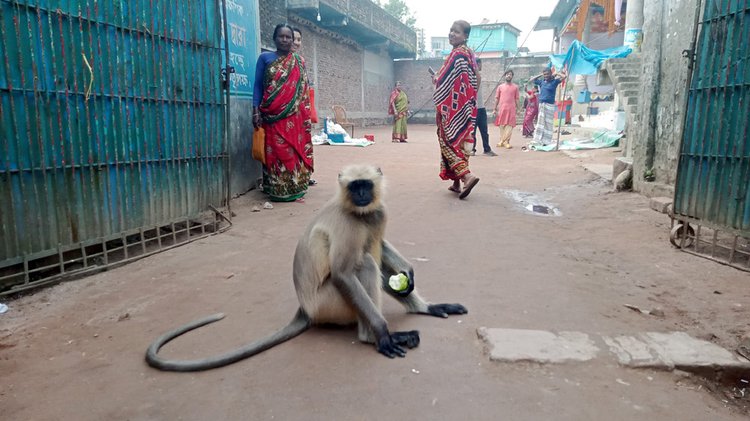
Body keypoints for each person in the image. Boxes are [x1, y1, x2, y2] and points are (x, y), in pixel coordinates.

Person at [252, 24, 313, 202]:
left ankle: (296, 186)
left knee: (293, 149)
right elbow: (257, 86)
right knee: (275, 150)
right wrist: (255, 110)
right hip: (271, 115)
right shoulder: (265, 58)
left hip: (295, 116)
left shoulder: (299, 62)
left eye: (288, 37)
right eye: (281, 36)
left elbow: (304, 91)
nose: (285, 40)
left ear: (292, 40)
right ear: (274, 38)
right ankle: (276, 187)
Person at [432, 20, 480, 200]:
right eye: (451, 30)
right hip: (466, 107)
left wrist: (436, 80)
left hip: (451, 109)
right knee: (460, 142)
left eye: (457, 32)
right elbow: (477, 78)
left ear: (465, 36)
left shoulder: (456, 55)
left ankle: (467, 176)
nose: (452, 34)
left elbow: (442, 80)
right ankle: (456, 183)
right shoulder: (470, 55)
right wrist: (470, 99)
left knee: (447, 141)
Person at [291, 27, 317, 186]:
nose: (295, 42)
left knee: (302, 144)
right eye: (291, 38)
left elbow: (305, 86)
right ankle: (286, 179)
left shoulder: (301, 61)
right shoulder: (273, 60)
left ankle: (303, 177)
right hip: (281, 113)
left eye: (298, 39)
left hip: (300, 112)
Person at [531, 67, 567, 146]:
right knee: (540, 123)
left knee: (548, 123)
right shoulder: (541, 82)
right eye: (544, 74)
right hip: (542, 104)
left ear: (551, 74)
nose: (546, 76)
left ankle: (546, 141)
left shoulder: (555, 82)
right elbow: (532, 80)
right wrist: (541, 74)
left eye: (547, 74)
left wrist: (556, 73)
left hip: (550, 105)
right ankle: (537, 139)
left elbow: (564, 77)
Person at [472, 59, 497, 156]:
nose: (481, 66)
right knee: (472, 132)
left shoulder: (478, 76)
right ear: (477, 65)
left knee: (484, 131)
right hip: (473, 108)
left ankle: (486, 149)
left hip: (481, 108)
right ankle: (472, 150)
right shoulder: (472, 77)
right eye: (480, 64)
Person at [493, 69, 519, 149]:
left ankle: (506, 142)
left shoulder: (515, 87)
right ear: (505, 76)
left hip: (511, 109)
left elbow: (517, 99)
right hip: (502, 109)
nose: (509, 76)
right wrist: (494, 109)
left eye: (510, 74)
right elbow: (497, 98)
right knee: (502, 125)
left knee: (509, 126)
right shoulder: (500, 87)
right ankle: (502, 140)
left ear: (512, 76)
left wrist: (518, 109)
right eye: (507, 74)